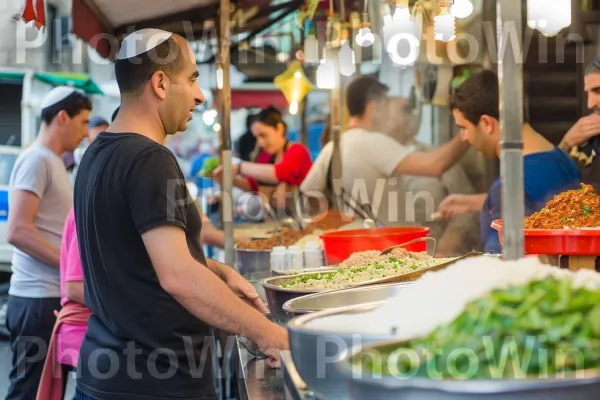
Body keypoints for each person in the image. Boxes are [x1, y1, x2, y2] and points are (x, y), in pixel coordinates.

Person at [73, 29, 287, 400]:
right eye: (191, 79)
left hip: (106, 377)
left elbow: (137, 259)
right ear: (159, 83)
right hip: (157, 383)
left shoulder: (97, 154)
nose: (200, 95)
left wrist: (220, 272)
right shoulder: (150, 159)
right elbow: (177, 276)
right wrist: (267, 332)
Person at [5, 87, 91, 400]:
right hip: (36, 300)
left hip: (50, 299)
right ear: (62, 117)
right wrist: (71, 267)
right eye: (82, 122)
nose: (85, 132)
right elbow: (17, 230)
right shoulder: (36, 159)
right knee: (28, 392)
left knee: (47, 393)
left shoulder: (53, 161)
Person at [439, 70, 581, 253]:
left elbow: (503, 268)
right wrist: (475, 202)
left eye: (463, 128)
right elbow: (541, 202)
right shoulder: (561, 159)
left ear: (486, 123)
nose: (464, 137)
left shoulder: (506, 188)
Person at [300, 76, 470, 227]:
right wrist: (468, 129)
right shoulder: (372, 142)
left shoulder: (332, 147)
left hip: (356, 246)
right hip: (391, 248)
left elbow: (309, 194)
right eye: (386, 104)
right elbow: (435, 165)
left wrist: (336, 220)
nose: (388, 112)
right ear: (374, 108)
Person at [385, 98, 481, 256]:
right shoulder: (377, 162)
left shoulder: (438, 159)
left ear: (410, 122)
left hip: (435, 255)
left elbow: (467, 211)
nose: (383, 127)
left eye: (390, 119)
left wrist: (444, 248)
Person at [212, 106, 313, 201]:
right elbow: (253, 186)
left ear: (279, 128)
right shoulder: (266, 155)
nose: (260, 142)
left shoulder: (298, 151)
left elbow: (281, 173)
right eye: (257, 137)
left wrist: (239, 167)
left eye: (263, 135)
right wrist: (228, 180)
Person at [558, 60, 600, 193]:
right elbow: (548, 181)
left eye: (598, 91)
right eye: (588, 94)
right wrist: (567, 143)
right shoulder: (590, 141)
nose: (590, 104)